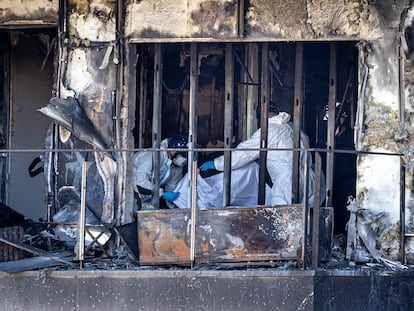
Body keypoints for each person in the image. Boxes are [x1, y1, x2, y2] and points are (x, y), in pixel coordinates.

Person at [200, 102, 316, 206]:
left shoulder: (268, 130)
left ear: (261, 118)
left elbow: (243, 154)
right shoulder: (295, 129)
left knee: (284, 220)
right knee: (306, 220)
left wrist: (216, 164)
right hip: (309, 180)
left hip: (287, 182)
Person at [133, 133, 188, 209]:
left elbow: (171, 191)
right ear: (171, 149)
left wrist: (175, 208)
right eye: (181, 154)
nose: (183, 159)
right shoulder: (151, 156)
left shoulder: (176, 169)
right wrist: (162, 194)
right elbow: (140, 183)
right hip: (130, 191)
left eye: (185, 155)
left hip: (147, 197)